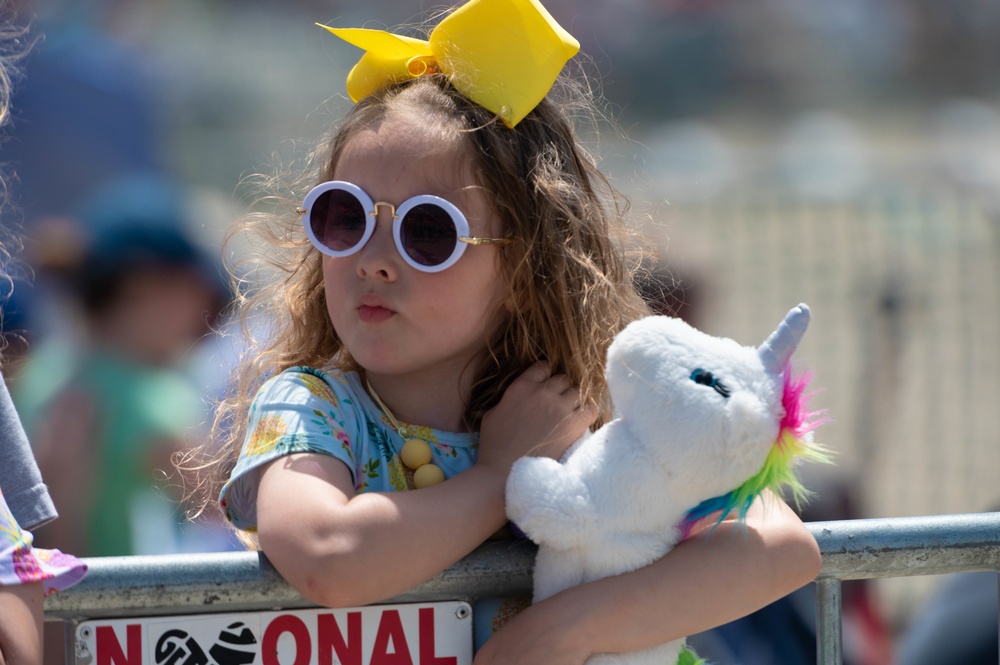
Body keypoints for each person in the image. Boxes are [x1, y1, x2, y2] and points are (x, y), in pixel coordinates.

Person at [194, 0, 823, 661]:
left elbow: (779, 545)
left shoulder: (566, 414)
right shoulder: (311, 409)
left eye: (427, 231)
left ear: (522, 273)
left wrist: (559, 632)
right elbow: (327, 557)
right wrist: (500, 474)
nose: (372, 258)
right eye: (343, 217)